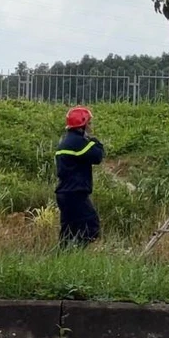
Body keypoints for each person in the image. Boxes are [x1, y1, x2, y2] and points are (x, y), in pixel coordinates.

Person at [55, 106, 105, 248]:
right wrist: (95, 141)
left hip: (64, 193)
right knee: (91, 226)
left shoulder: (64, 143)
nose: (90, 126)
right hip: (76, 194)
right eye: (88, 123)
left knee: (68, 231)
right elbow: (98, 156)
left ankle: (64, 258)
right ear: (82, 125)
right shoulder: (79, 143)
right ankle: (77, 252)